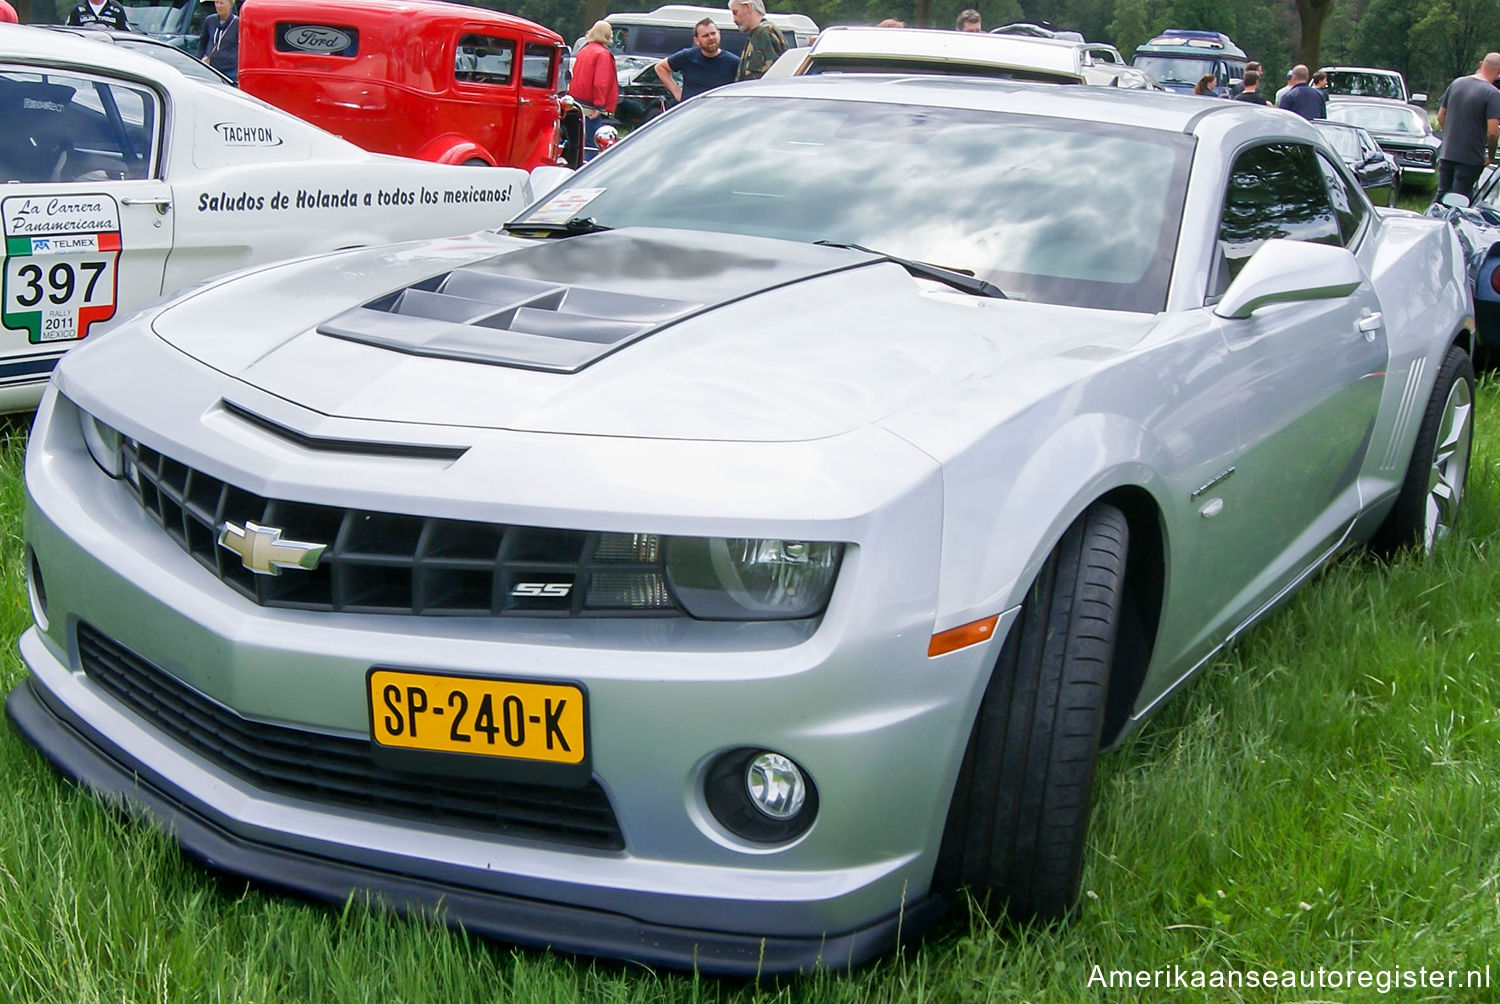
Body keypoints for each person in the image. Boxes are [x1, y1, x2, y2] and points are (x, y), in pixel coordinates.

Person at [1435, 52, 1500, 202]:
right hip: (1470, 157)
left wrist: (1451, 136)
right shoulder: (1492, 93)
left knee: (1441, 196)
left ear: (1480, 65)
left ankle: (1433, 222)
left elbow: (1440, 117)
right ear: (1498, 72)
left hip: (1448, 152)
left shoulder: (1457, 83)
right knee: (1460, 198)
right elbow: (1492, 132)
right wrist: (1490, 156)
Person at [655, 17, 738, 103]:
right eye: (705, 36)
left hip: (719, 112)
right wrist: (677, 92)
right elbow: (660, 67)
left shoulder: (734, 62)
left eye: (713, 33)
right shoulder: (687, 56)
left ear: (719, 34)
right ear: (697, 40)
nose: (711, 38)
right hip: (690, 112)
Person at [568, 20, 619, 160]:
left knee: (578, 142)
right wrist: (599, 105)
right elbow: (601, 82)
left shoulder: (584, 50)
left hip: (577, 102)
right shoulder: (602, 54)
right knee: (592, 144)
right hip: (591, 105)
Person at [730, 0, 786, 82]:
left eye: (735, 12)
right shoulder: (758, 33)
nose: (734, 20)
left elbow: (770, 78)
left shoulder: (763, 33)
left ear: (747, 7)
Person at [197, 0, 239, 83]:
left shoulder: (238, 23)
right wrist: (200, 59)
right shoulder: (209, 21)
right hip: (211, 69)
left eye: (221, 3)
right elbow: (202, 42)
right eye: (216, 3)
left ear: (230, 5)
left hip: (230, 71)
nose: (218, 6)